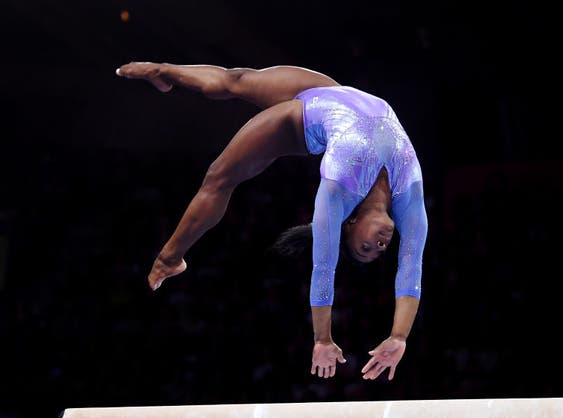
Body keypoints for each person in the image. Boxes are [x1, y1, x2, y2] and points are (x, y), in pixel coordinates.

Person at [115, 62, 428, 381]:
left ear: (348, 223)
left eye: (365, 249)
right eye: (377, 250)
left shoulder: (340, 187)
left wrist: (323, 339)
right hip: (333, 94)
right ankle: (164, 71)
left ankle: (170, 258)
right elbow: (410, 264)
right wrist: (399, 335)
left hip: (302, 121)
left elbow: (324, 266)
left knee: (219, 176)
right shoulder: (410, 191)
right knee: (234, 79)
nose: (379, 246)